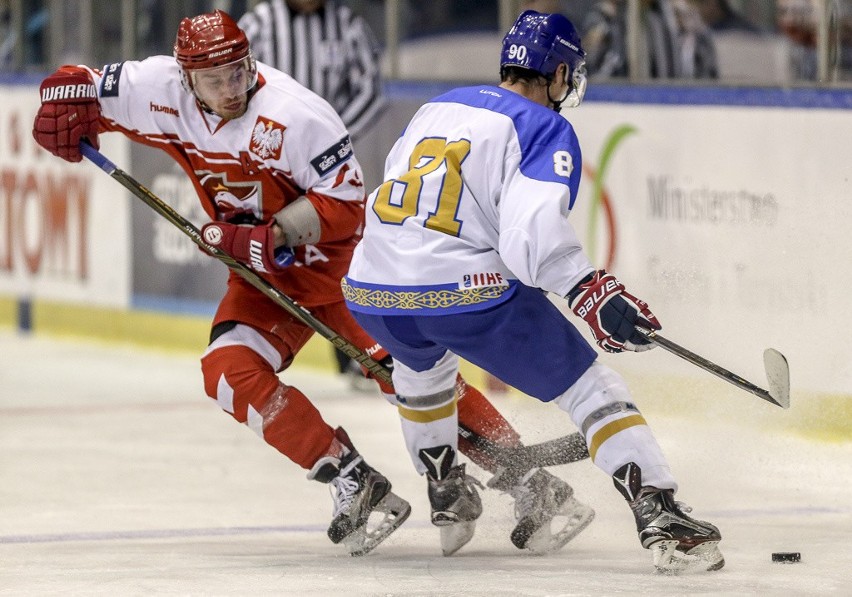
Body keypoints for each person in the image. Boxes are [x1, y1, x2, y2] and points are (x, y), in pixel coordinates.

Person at [31, 9, 593, 557]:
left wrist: (266, 236)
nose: (230, 89)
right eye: (213, 80)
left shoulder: (299, 116)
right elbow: (77, 88)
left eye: (239, 73)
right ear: (185, 79)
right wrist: (57, 103)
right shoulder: (158, 86)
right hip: (261, 279)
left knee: (407, 375)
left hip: (343, 270)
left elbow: (347, 209)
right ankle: (351, 479)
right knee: (227, 374)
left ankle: (532, 485)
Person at [343, 10, 725, 572]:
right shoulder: (544, 126)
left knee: (421, 373)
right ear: (558, 73)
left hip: (372, 290)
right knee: (592, 388)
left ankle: (447, 490)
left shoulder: (439, 105)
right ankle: (662, 516)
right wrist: (589, 292)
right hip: (459, 294)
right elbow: (532, 235)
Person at [238, 0, 383, 388]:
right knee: (274, 245)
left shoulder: (346, 23)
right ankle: (261, 340)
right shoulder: (259, 23)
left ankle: (359, 356)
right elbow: (231, 89)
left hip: (329, 168)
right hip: (271, 161)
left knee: (340, 248)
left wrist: (330, 143)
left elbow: (371, 89)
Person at [582, 0, 717, 79]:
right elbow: (592, 75)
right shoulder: (603, 19)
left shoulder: (684, 19)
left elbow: (706, 77)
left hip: (677, 112)